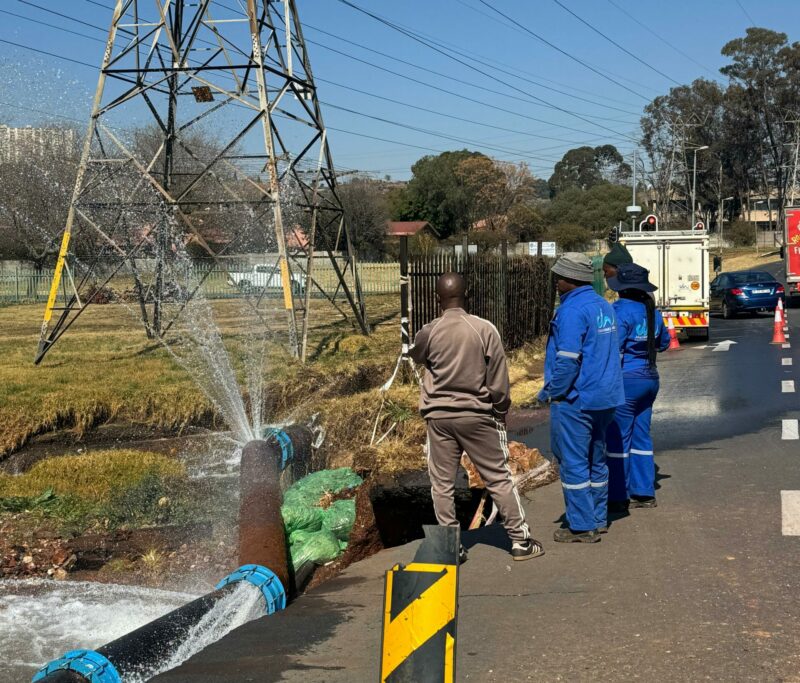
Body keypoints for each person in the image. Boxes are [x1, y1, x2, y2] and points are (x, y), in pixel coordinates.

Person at [410, 273, 544, 562]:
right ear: (467, 295)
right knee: (498, 477)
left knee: (442, 484)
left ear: (437, 299)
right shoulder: (484, 329)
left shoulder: (429, 331)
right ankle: (520, 541)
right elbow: (498, 379)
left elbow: (417, 354)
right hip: (477, 415)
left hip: (439, 418)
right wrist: (500, 409)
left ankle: (450, 548)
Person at [539, 253, 625, 543]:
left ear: (570, 279)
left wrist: (554, 392)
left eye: (558, 277)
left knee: (573, 462)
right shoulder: (603, 305)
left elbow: (567, 360)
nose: (555, 282)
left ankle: (581, 526)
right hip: (606, 396)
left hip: (577, 399)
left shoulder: (571, 311)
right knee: (596, 459)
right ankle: (598, 518)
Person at [605, 263, 671, 511]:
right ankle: (644, 492)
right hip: (650, 379)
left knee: (618, 438)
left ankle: (618, 496)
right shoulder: (652, 310)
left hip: (627, 381)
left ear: (621, 288)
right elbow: (663, 343)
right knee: (641, 435)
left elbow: (613, 348)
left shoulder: (620, 311)